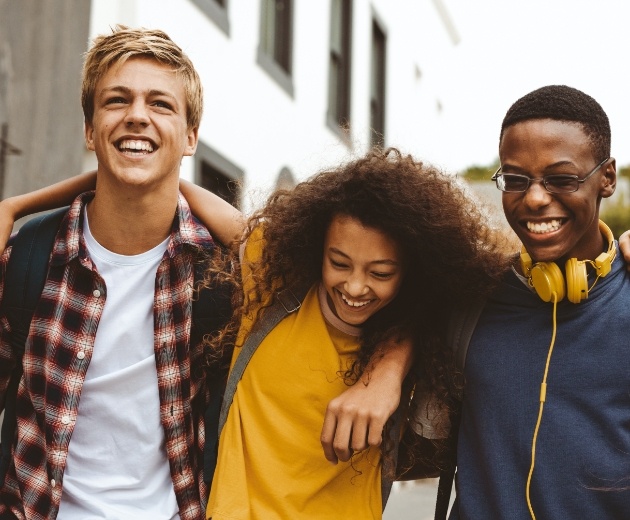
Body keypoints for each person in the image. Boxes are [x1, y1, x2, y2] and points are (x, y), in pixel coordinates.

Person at [0, 26, 422, 520]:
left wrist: (386, 372)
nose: (137, 115)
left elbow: (392, 296)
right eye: (117, 101)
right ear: (91, 130)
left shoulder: (227, 269)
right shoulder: (28, 257)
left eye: (160, 104)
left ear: (191, 137)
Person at [191, 147, 511, 519]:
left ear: (412, 273)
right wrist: (108, 180)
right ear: (316, 247)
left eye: (380, 273)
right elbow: (214, 211)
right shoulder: (274, 284)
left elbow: (457, 296)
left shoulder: (423, 338)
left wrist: (389, 371)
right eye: (339, 263)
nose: (355, 287)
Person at [444, 85, 630, 519]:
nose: (534, 198)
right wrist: (382, 371)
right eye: (515, 179)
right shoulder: (472, 297)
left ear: (607, 178)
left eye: (562, 179)